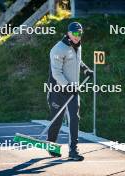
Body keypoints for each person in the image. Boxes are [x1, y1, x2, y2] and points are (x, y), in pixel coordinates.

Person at [47, 22, 93, 161]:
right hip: (57, 89)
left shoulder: (77, 46)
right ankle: (51, 146)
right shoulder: (58, 49)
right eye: (75, 34)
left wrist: (85, 68)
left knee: (74, 118)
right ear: (68, 33)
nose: (78, 36)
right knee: (57, 120)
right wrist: (67, 86)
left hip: (73, 89)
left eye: (80, 34)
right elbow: (56, 72)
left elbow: (76, 60)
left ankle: (73, 150)